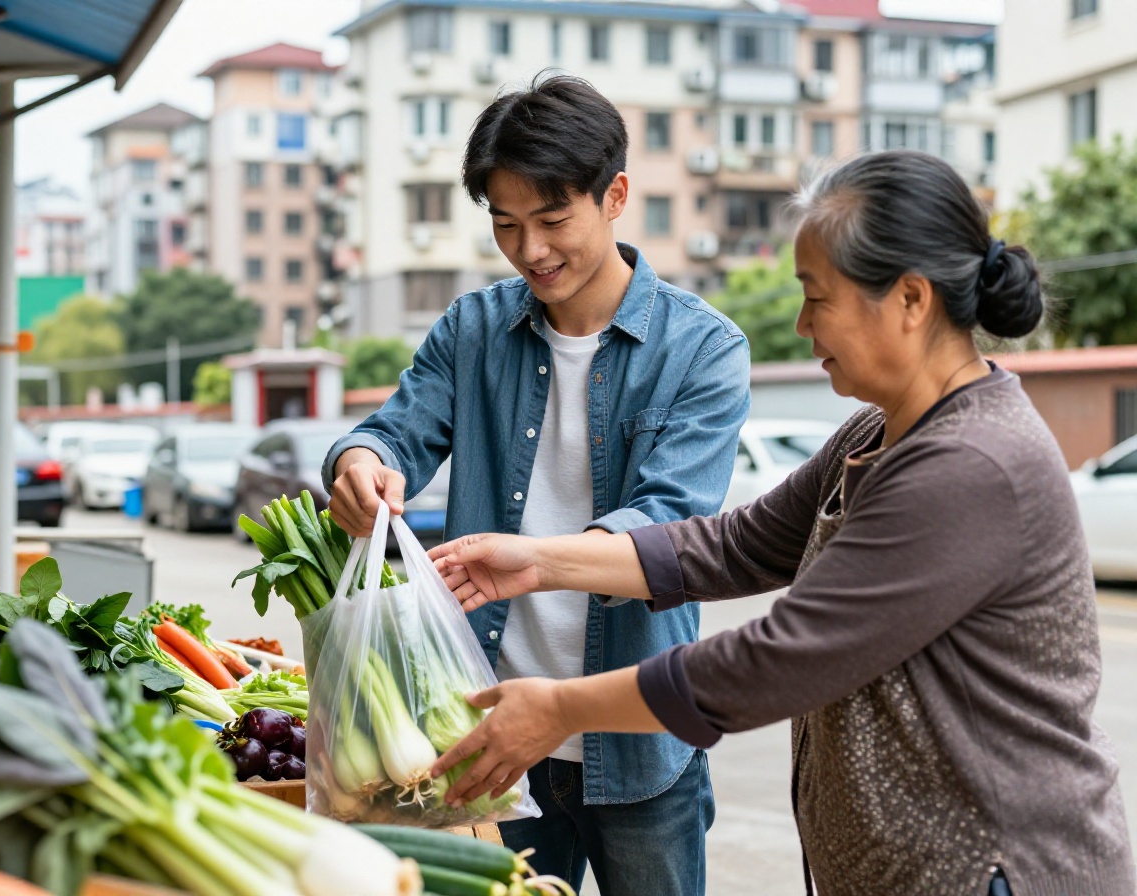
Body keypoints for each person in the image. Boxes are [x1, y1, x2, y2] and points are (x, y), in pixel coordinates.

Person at [427, 150, 1135, 896]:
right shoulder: (877, 434)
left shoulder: (972, 464)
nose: (800, 325)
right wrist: (542, 561)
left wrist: (559, 707)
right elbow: (735, 546)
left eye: (817, 298)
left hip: (994, 867)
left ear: (911, 300)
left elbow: (780, 659)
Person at [322, 75, 750, 894]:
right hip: (484, 730)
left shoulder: (703, 350)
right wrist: (359, 463)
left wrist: (538, 557)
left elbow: (669, 525)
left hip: (636, 741)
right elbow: (391, 432)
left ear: (615, 194)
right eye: (507, 225)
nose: (531, 251)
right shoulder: (471, 330)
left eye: (554, 220)